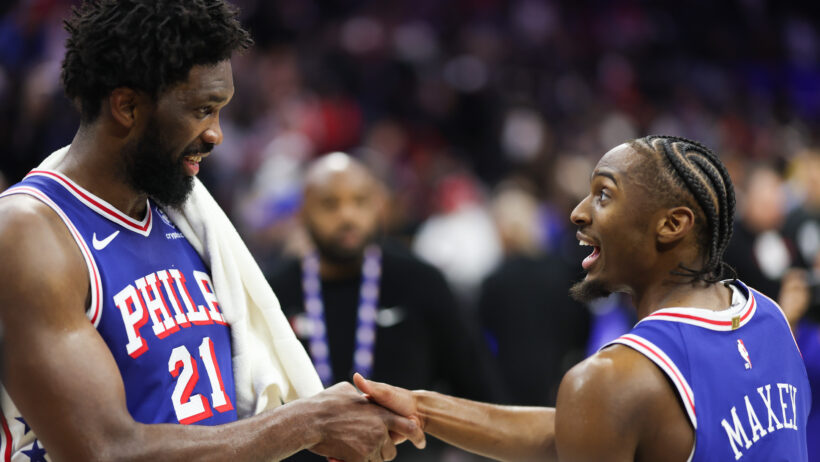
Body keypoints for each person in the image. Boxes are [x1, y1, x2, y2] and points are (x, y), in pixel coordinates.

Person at [0, 1, 423, 461]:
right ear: (126, 105)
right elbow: (104, 451)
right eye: (203, 109)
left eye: (220, 111)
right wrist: (311, 422)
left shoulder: (188, 217)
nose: (216, 134)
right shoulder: (31, 233)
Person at [353, 135, 811, 461]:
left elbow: (597, 417)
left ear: (672, 225)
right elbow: (574, 433)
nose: (577, 212)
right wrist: (422, 408)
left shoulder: (613, 380)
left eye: (604, 195)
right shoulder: (768, 317)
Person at [266, 152, 506, 461]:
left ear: (379, 206)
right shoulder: (272, 293)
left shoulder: (422, 281)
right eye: (330, 204)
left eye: (360, 201)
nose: (347, 215)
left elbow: (480, 391)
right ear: (303, 213)